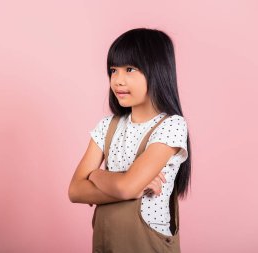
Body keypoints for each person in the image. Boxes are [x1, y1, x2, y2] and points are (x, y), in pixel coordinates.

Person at [68, 28, 192, 252]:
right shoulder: (107, 126)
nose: (117, 80)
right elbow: (75, 191)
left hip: (147, 244)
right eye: (113, 70)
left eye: (130, 69)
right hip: (106, 243)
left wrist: (95, 176)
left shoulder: (171, 126)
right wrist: (130, 187)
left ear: (157, 71)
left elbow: (126, 188)